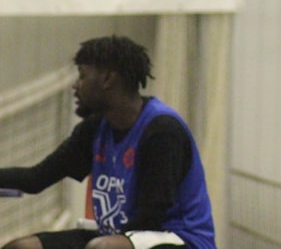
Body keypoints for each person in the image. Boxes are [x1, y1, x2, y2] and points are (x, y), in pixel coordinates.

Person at [0, 35, 215, 249]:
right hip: (119, 236)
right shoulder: (94, 129)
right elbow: (35, 179)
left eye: (82, 76)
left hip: (179, 239)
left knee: (104, 247)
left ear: (107, 79)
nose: (75, 85)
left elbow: (150, 217)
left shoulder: (162, 131)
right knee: (22, 247)